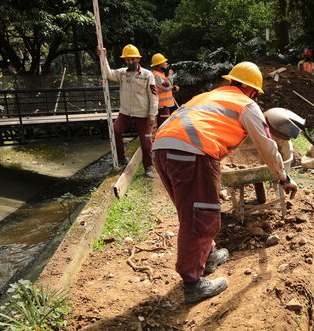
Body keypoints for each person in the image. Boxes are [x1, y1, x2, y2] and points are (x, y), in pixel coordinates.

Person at [152, 61, 298, 303]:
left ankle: (208, 254)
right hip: (193, 152)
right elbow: (267, 147)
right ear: (252, 90)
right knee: (203, 217)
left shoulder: (208, 96)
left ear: (232, 81)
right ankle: (193, 283)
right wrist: (283, 177)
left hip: (163, 147)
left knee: (191, 211)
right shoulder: (247, 105)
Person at [97, 44, 158, 177]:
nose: (130, 61)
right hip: (125, 113)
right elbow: (107, 74)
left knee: (146, 143)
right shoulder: (122, 73)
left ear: (138, 59)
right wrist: (103, 56)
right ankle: (122, 157)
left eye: (132, 59)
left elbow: (153, 96)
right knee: (115, 130)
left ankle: (148, 167)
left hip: (142, 115)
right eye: (127, 59)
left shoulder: (148, 75)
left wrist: (152, 114)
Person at [151, 53, 179, 127]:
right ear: (160, 64)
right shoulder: (157, 75)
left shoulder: (161, 74)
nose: (166, 63)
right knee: (164, 125)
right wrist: (170, 76)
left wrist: (172, 88)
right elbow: (167, 86)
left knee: (165, 124)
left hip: (165, 106)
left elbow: (166, 87)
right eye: (164, 62)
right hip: (162, 106)